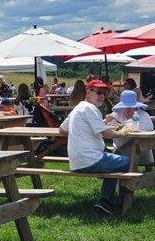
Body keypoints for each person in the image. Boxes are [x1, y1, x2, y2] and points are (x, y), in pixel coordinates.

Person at [59, 79, 132, 215]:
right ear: (88, 92)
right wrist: (120, 132)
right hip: (90, 160)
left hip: (76, 161)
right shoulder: (90, 108)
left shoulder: (78, 108)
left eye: (104, 93)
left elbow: (62, 130)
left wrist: (81, 128)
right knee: (127, 161)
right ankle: (115, 201)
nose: (102, 96)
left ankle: (107, 200)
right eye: (98, 92)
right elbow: (106, 134)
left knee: (113, 160)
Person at [104, 90, 153, 163]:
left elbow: (149, 130)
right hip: (120, 148)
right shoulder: (115, 114)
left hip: (141, 150)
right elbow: (104, 129)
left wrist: (130, 121)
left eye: (131, 106)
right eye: (125, 106)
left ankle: (145, 167)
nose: (128, 108)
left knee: (139, 145)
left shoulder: (143, 115)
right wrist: (106, 121)